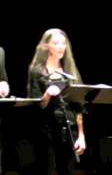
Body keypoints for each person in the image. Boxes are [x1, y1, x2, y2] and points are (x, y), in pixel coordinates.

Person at [27, 28, 86, 175]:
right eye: (56, 43)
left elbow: (78, 106)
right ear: (47, 46)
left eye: (63, 43)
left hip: (68, 132)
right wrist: (47, 94)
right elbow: (36, 107)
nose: (61, 46)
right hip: (46, 133)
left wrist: (81, 135)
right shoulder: (38, 72)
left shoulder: (69, 72)